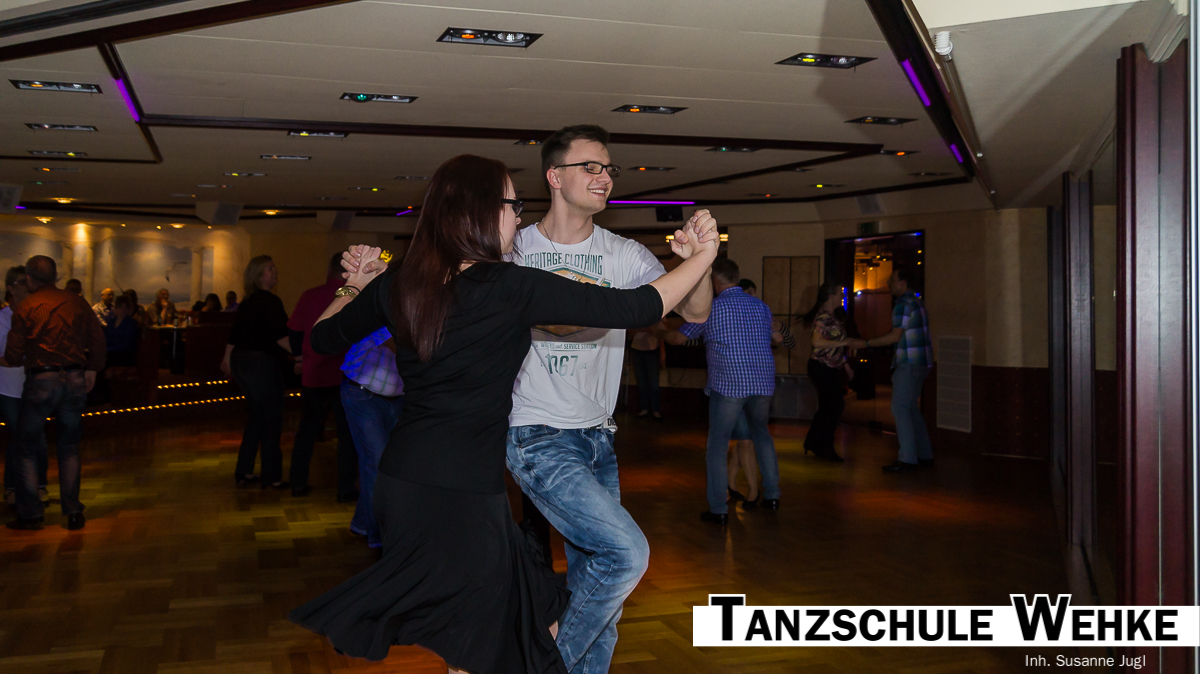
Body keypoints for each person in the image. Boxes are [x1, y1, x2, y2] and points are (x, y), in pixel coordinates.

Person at [289, 154, 717, 673]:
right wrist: (702, 256)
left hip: (413, 482)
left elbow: (322, 337)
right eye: (513, 205)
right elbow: (637, 308)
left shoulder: (404, 281)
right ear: (481, 211)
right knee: (486, 640)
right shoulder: (510, 285)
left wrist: (355, 284)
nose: (518, 216)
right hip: (461, 494)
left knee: (500, 629)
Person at [505, 124, 715, 674]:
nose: (604, 177)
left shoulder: (622, 254)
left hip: (598, 437)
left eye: (608, 169)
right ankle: (539, 666)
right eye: (590, 167)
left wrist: (699, 260)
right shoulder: (515, 250)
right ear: (555, 176)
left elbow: (696, 312)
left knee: (603, 589)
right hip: (536, 433)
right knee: (626, 554)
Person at [675, 257, 780, 524]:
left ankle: (718, 509)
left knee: (718, 446)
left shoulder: (710, 308)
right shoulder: (761, 306)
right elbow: (775, 339)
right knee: (762, 437)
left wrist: (657, 332)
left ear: (714, 280)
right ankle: (772, 495)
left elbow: (679, 337)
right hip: (763, 382)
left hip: (729, 383)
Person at [3, 256, 105, 530]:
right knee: (69, 446)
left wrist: (11, 359)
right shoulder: (77, 302)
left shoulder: (26, 306)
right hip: (74, 378)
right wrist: (92, 369)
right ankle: (73, 511)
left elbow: (13, 355)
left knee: (26, 447)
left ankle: (31, 513)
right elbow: (97, 339)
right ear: (55, 276)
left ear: (29, 279)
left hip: (42, 380)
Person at [286, 254, 356, 498]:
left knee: (307, 431)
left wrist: (299, 358)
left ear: (330, 269)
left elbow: (294, 331)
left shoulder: (310, 295)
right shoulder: (351, 296)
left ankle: (297, 482)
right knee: (346, 434)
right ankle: (346, 489)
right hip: (343, 374)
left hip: (313, 374)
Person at [222, 256, 292, 489]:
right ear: (259, 276)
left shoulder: (247, 302)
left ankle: (244, 470)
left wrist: (227, 359)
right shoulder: (271, 301)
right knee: (271, 418)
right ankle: (272, 476)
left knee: (257, 416)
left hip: (242, 362)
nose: (275, 270)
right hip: (261, 364)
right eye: (270, 268)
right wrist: (303, 355)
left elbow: (235, 334)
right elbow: (281, 337)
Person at [859, 269, 934, 472]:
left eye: (892, 280)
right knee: (910, 408)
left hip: (909, 362)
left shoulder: (903, 303)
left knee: (900, 408)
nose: (888, 283)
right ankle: (924, 454)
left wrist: (865, 343)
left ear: (903, 283)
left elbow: (895, 336)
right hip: (923, 362)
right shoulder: (918, 302)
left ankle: (908, 458)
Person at [340, 328, 403, 548]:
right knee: (377, 463)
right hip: (362, 393)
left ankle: (361, 523)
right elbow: (398, 344)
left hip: (397, 398)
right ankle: (378, 537)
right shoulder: (385, 311)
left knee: (387, 464)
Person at [1, 266, 49, 509]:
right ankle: (12, 486)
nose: (27, 286)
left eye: (28, 281)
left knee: (38, 436)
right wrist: (19, 359)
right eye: (22, 282)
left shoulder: (36, 314)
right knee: (19, 435)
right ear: (10, 288)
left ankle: (38, 485)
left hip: (33, 385)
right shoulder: (2, 318)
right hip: (8, 388)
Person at [801, 283, 858, 462]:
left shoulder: (832, 317)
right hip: (821, 366)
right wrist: (844, 343)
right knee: (834, 405)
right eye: (840, 293)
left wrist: (844, 363)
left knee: (830, 406)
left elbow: (832, 345)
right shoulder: (824, 317)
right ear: (831, 297)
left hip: (827, 366)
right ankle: (823, 445)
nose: (842, 296)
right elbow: (817, 342)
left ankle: (815, 442)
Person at [629, 321, 665, 418]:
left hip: (652, 351)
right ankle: (644, 408)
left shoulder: (656, 319)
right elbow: (630, 331)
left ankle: (655, 409)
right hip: (637, 350)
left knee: (654, 382)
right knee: (641, 381)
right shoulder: (637, 318)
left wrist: (662, 353)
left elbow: (659, 333)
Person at [103, 295, 140, 368]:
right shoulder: (111, 322)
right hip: (110, 352)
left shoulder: (131, 323)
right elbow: (105, 338)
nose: (123, 310)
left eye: (126, 307)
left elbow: (126, 344)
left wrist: (107, 349)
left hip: (124, 354)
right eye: (121, 307)